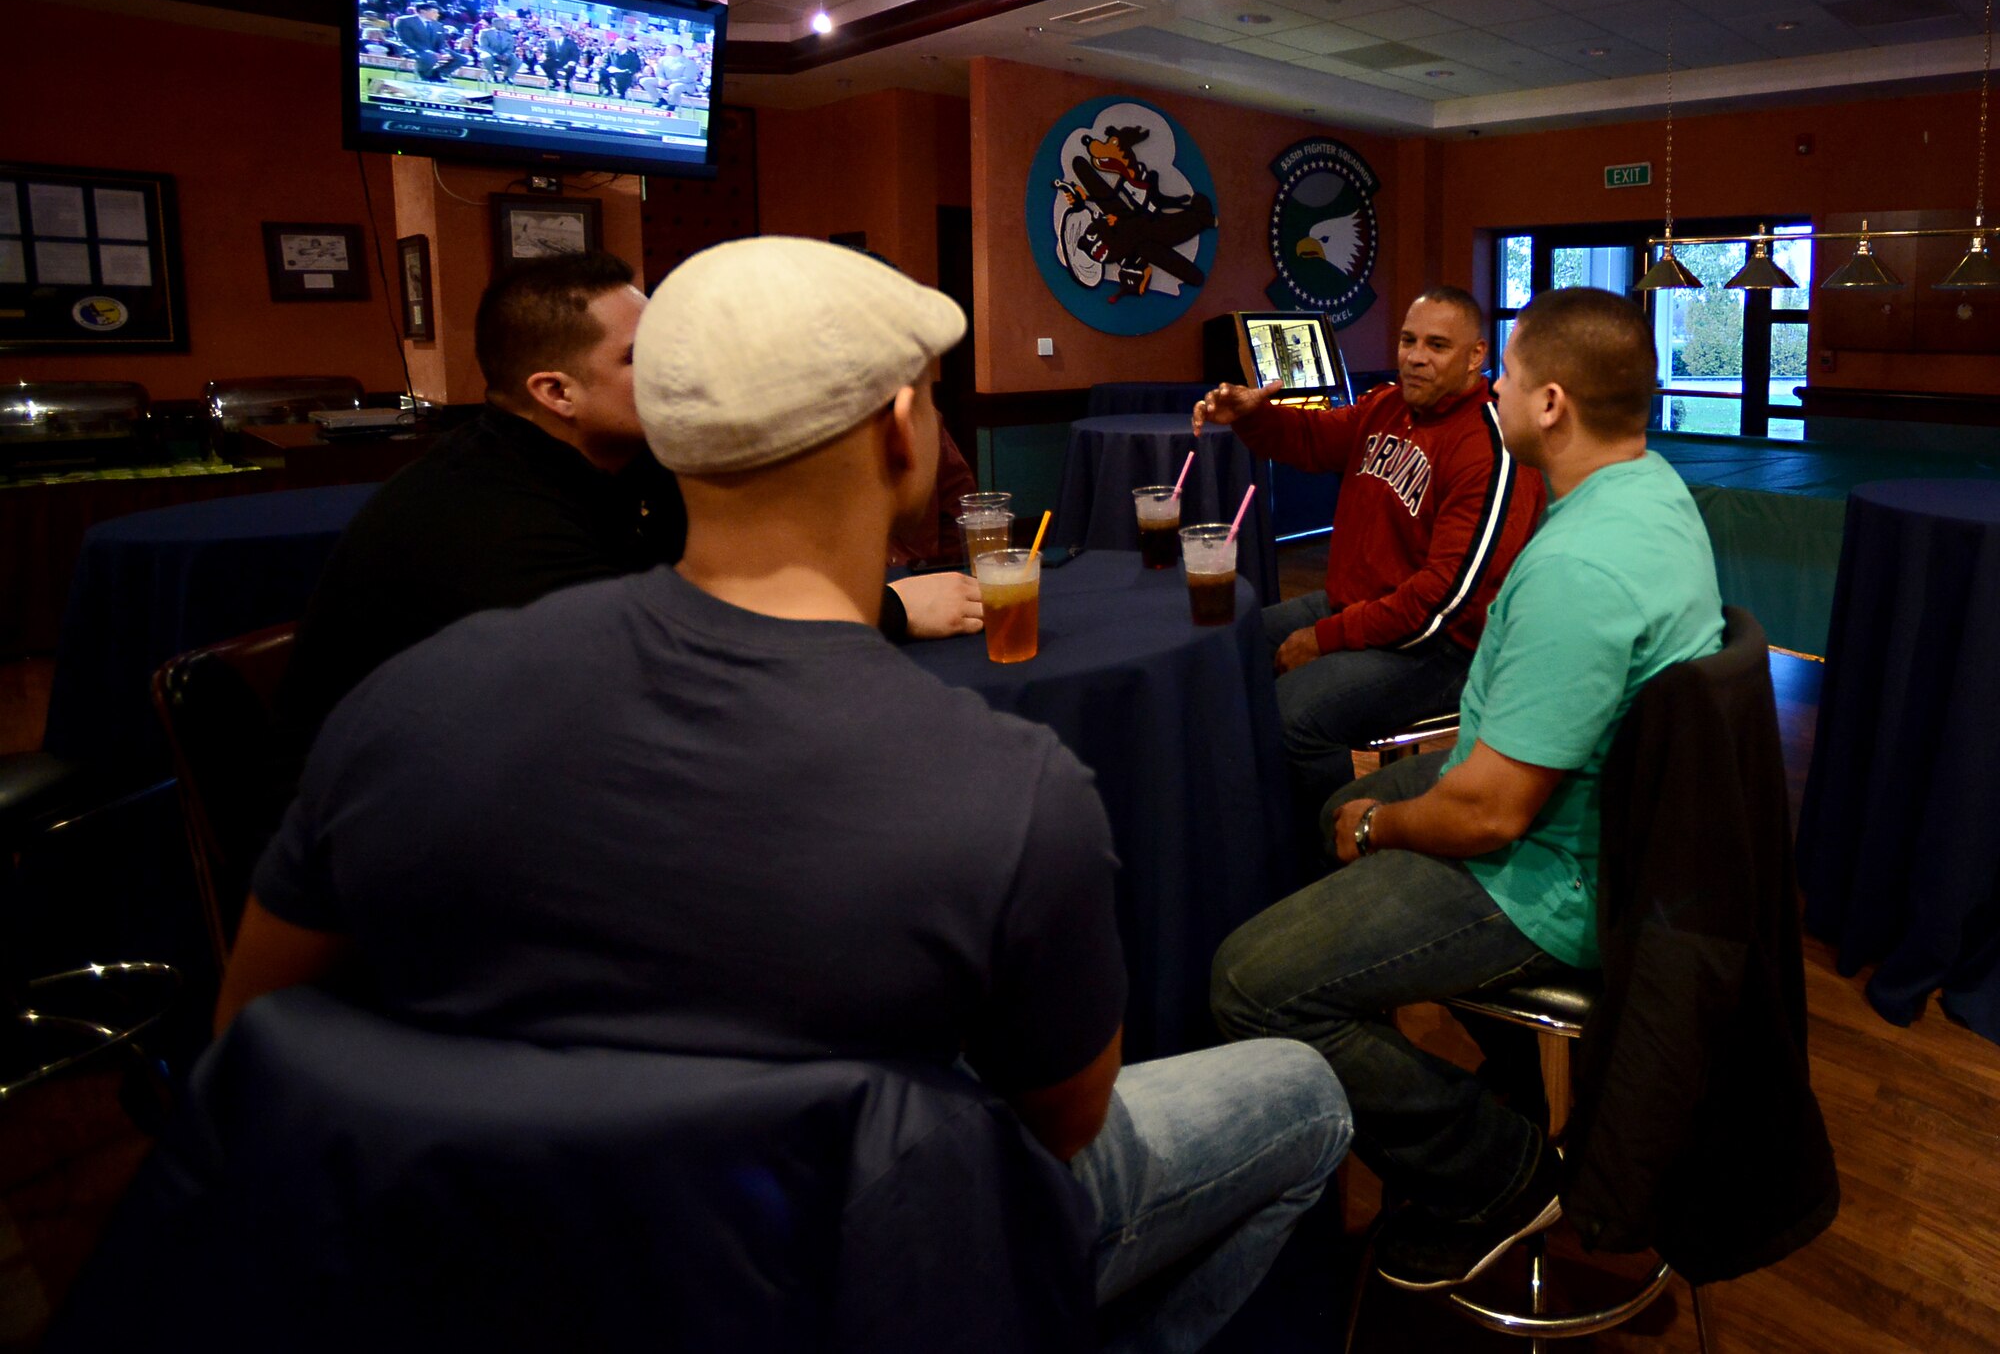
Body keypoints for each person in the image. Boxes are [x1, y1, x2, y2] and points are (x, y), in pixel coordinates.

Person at [225, 237, 1352, 1352]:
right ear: (901, 434)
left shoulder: (413, 696)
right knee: (1302, 1095)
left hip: (491, 1268)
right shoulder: (1004, 783)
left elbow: (257, 1034)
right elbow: (1058, 1122)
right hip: (839, 1277)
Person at [1211, 287, 1725, 1293]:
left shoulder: (1576, 565)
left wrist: (1376, 827)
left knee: (1244, 981)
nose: (1493, 390)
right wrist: (1356, 819)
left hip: (1546, 875)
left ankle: (1499, 1173)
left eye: (1508, 373)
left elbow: (1490, 811)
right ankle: (1503, 1086)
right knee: (1327, 809)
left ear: (1550, 405)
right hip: (1601, 831)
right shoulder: (1651, 491)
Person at [280, 250, 982, 751]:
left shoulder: (636, 458)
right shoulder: (485, 519)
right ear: (556, 393)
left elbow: (719, 599)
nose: (676, 371)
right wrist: (886, 610)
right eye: (641, 357)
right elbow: (648, 682)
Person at [1195, 288, 1545, 812]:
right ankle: (1245, 829)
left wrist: (1325, 638)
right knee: (1224, 644)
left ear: (1476, 355)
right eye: (1408, 340)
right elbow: (1312, 439)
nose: (1416, 356)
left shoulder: (1488, 447)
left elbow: (1441, 601)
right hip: (1361, 606)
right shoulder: (1387, 404)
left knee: (1294, 715)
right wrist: (1251, 415)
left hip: (1444, 648)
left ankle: (1326, 862)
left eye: (1437, 345)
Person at [391, 0, 460, 83]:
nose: (438, 15)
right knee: (430, 56)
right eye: (434, 12)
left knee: (461, 59)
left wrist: (443, 51)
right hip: (413, 49)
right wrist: (429, 52)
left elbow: (441, 42)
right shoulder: (404, 21)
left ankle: (435, 73)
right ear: (423, 12)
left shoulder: (438, 25)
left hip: (433, 50)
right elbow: (407, 40)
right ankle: (425, 76)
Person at [541, 24, 581, 93]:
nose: (549, 33)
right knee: (543, 64)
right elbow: (547, 52)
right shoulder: (549, 42)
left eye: (552, 31)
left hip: (567, 62)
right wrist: (544, 55)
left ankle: (566, 83)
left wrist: (572, 61)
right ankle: (554, 81)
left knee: (571, 68)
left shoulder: (570, 42)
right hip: (554, 61)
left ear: (559, 33)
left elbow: (576, 54)